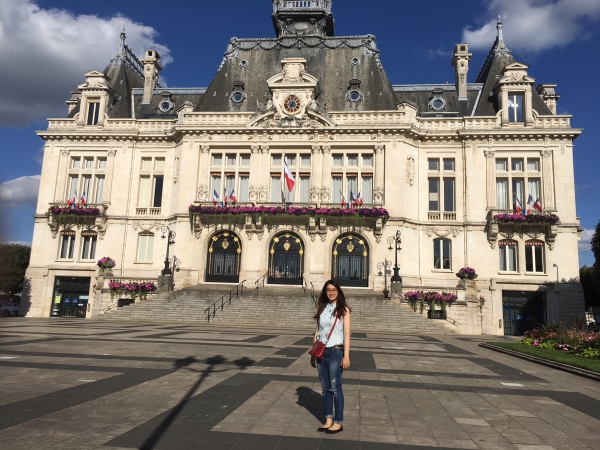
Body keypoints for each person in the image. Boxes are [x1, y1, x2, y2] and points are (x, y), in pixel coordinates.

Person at [310, 280, 351, 433]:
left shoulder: (344, 310)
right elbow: (317, 331)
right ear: (325, 292)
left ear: (338, 292)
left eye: (334, 290)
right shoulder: (322, 308)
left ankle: (338, 422)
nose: (331, 292)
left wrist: (346, 355)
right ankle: (328, 420)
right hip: (322, 352)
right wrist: (313, 354)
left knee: (335, 388)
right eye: (328, 290)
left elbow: (347, 334)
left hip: (335, 351)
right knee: (325, 388)